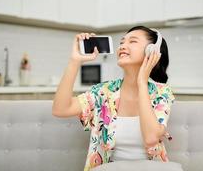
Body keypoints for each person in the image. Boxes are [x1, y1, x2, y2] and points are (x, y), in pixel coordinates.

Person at [52, 26, 179, 171]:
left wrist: (142, 82)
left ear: (152, 51)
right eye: (122, 42)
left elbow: (151, 139)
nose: (123, 46)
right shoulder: (103, 92)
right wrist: (75, 61)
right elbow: (60, 109)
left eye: (133, 41)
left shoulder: (161, 91)